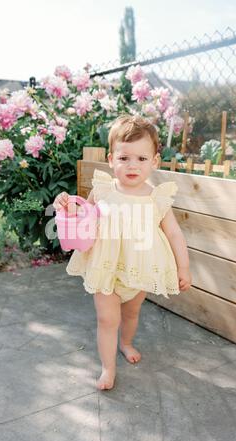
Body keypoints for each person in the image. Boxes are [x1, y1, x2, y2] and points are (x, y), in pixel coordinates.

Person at [53, 114, 192, 391]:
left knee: (131, 314)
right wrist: (67, 207)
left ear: (154, 162)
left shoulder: (156, 198)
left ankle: (126, 342)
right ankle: (107, 368)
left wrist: (183, 267)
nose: (132, 165)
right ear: (110, 159)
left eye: (141, 159)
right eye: (124, 158)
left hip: (137, 269)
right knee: (107, 318)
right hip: (106, 267)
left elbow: (175, 233)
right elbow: (84, 215)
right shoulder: (103, 189)